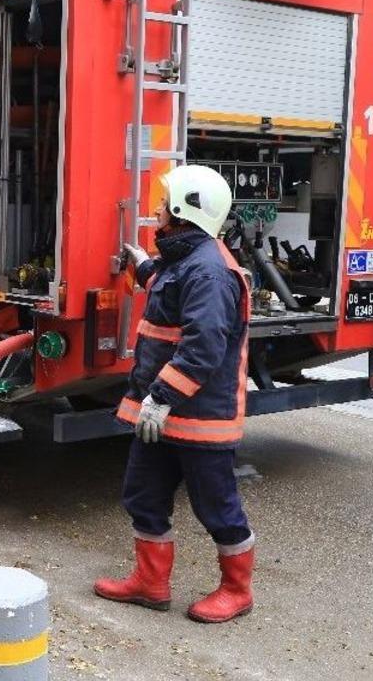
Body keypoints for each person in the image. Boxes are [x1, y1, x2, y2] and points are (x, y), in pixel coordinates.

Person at [94, 164, 255, 624]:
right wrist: (141, 265)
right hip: (161, 417)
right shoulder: (186, 260)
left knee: (217, 508)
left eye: (165, 204)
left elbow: (204, 348)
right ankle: (150, 583)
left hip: (197, 417)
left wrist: (161, 396)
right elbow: (167, 295)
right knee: (144, 496)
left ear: (185, 211)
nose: (158, 210)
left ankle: (237, 590)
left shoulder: (209, 271)